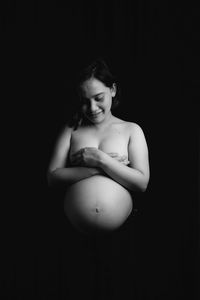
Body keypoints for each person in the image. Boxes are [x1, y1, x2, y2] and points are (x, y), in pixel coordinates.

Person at [47, 58, 150, 299]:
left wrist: (102, 160)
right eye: (85, 101)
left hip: (123, 237)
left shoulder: (131, 130)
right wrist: (96, 168)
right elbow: (52, 177)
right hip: (73, 236)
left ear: (112, 90)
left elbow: (142, 182)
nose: (92, 107)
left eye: (98, 98)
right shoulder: (71, 129)